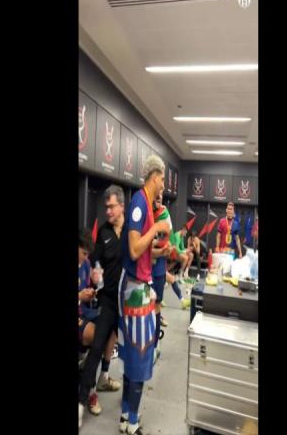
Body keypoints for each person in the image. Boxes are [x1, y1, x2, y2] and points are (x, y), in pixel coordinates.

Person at [118, 154, 170, 435]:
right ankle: (133, 423)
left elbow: (144, 251)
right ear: (155, 177)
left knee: (134, 353)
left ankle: (126, 415)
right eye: (162, 179)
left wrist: (160, 251)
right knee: (140, 353)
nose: (163, 185)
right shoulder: (140, 203)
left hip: (139, 285)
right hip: (135, 289)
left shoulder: (147, 205)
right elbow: (135, 248)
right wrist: (157, 228)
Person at [78, 186, 126, 426]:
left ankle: (107, 379)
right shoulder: (104, 232)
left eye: (111, 206)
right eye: (106, 206)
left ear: (122, 207)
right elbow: (96, 260)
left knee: (123, 345)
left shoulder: (132, 230)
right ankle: (80, 402)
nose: (107, 211)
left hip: (127, 300)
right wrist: (97, 273)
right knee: (97, 345)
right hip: (107, 299)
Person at [151, 190, 172, 362]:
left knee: (156, 306)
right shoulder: (144, 210)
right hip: (142, 269)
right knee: (143, 307)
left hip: (157, 269)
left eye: (161, 194)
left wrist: (152, 243)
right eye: (156, 193)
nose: (159, 196)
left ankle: (155, 345)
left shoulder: (165, 214)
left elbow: (166, 241)